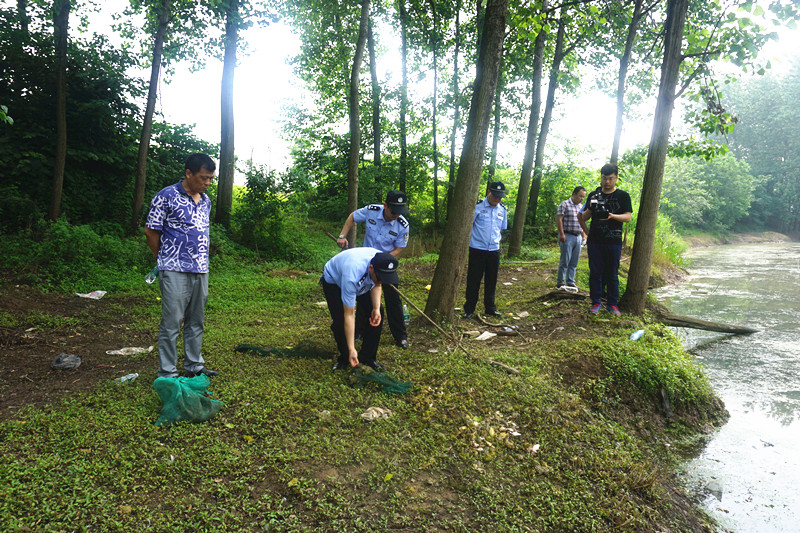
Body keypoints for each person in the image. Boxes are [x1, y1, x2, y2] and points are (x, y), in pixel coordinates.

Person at [144, 153, 219, 378]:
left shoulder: (206, 201)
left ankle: (194, 366)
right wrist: (162, 259)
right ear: (188, 173)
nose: (207, 183)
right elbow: (151, 230)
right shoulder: (166, 196)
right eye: (203, 178)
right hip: (173, 268)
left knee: (196, 320)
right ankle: (168, 372)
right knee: (172, 321)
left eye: (210, 178)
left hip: (201, 269)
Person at [335, 191, 411, 349]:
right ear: (385, 205)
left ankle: (400, 336)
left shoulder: (402, 225)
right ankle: (359, 331)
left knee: (393, 297)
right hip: (365, 263)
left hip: (386, 264)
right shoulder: (372, 210)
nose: (396, 215)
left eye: (399, 212)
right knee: (363, 295)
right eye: (393, 211)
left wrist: (383, 261)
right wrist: (342, 235)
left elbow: (399, 248)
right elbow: (352, 217)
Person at [321, 247, 400, 371]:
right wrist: (352, 348)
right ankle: (346, 357)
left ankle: (368, 358)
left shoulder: (381, 262)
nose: (382, 281)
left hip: (364, 278)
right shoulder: (352, 275)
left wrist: (376, 308)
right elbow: (349, 314)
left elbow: (377, 283)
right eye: (381, 277)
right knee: (341, 321)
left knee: (378, 312)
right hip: (334, 281)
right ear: (371, 268)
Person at [580, 163, 633, 316]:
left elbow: (628, 217)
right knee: (595, 272)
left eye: (610, 178)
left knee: (612, 273)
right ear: (601, 178)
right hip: (595, 241)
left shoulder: (623, 196)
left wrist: (612, 216)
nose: (607, 182)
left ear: (616, 178)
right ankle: (595, 302)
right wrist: (590, 209)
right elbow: (584, 217)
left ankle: (612, 304)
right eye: (604, 178)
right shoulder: (593, 195)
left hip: (613, 241)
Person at [462, 181, 508, 319]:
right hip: (477, 249)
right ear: (489, 192)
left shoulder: (503, 210)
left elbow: (501, 229)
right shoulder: (477, 206)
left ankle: (490, 308)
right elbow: (469, 225)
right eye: (495, 196)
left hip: (494, 250)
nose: (497, 199)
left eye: (500, 197)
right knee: (473, 280)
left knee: (491, 280)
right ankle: (469, 309)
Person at [556, 186, 587, 291]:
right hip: (567, 235)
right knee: (565, 260)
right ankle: (560, 282)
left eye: (583, 197)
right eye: (580, 196)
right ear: (574, 194)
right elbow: (559, 220)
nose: (582, 198)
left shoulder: (581, 207)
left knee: (574, 261)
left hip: (577, 237)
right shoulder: (564, 204)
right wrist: (561, 234)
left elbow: (581, 222)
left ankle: (570, 281)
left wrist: (583, 236)